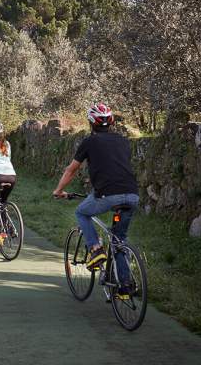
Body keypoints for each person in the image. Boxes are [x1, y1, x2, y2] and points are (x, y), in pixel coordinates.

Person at [52, 103, 139, 299]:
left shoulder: (89, 142)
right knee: (119, 240)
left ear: (91, 123)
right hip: (132, 194)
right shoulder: (124, 141)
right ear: (112, 122)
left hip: (107, 194)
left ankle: (95, 248)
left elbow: (71, 170)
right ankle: (124, 286)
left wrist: (59, 190)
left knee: (82, 212)